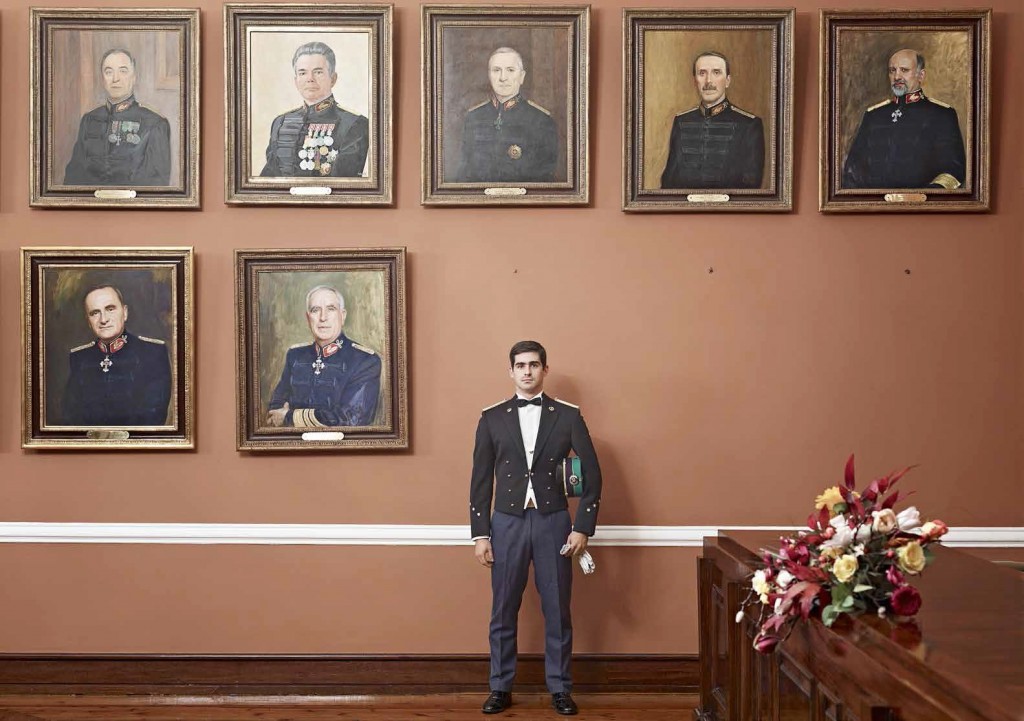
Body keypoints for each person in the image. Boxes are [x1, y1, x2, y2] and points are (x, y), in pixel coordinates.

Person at [469, 341, 603, 716]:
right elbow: (480, 482)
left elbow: (592, 475)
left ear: (545, 370)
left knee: (558, 609)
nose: (527, 371)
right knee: (503, 609)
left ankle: (560, 688)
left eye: (533, 365)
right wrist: (480, 534)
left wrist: (582, 528)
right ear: (510, 371)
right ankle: (500, 687)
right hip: (506, 523)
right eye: (520, 365)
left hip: (554, 523)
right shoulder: (492, 418)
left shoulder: (569, 416)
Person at [842, 48, 966, 189]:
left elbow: (953, 172)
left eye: (904, 70)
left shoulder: (942, 115)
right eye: (892, 70)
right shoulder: (873, 116)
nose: (897, 77)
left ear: (921, 75)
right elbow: (852, 171)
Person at [266, 285, 381, 428]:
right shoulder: (295, 356)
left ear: (342, 315)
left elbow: (352, 419)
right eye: (315, 310)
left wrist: (290, 417)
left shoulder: (365, 361)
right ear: (308, 318)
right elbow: (275, 411)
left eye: (331, 309)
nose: (323, 317)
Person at [62, 285, 171, 426]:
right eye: (95, 313)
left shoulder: (153, 352)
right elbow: (71, 416)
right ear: (88, 321)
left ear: (124, 313)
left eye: (110, 309)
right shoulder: (79, 357)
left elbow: (153, 417)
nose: (103, 319)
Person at [260, 42, 369, 178]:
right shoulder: (280, 123)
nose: (310, 79)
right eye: (303, 73)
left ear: (333, 79)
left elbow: (345, 183)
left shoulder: (354, 124)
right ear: (296, 80)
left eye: (318, 72)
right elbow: (268, 179)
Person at [64, 49, 171, 186]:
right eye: (109, 72)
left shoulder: (155, 124)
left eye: (123, 71)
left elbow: (157, 184)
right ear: (102, 78)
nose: (115, 79)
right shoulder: (89, 120)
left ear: (134, 77)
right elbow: (73, 176)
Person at [660, 51, 765, 190]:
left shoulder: (749, 125)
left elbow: (751, 183)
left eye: (716, 72)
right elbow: (669, 180)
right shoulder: (681, 121)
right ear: (694, 80)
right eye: (702, 73)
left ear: (727, 80)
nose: (708, 81)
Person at [455, 47, 558, 183]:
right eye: (496, 70)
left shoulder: (542, 120)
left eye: (510, 70)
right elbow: (464, 174)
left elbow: (546, 179)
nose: (503, 78)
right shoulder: (473, 118)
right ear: (489, 75)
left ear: (522, 76)